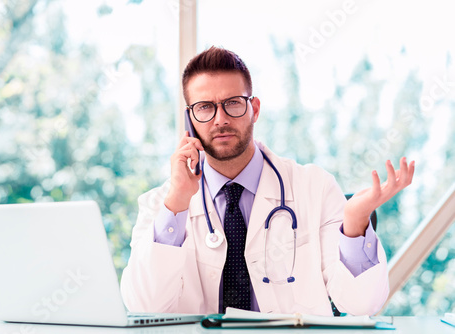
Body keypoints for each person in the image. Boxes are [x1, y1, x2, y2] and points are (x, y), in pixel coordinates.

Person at [120, 46, 415, 316]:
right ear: (190, 119)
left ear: (255, 109)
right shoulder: (161, 204)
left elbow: (362, 305)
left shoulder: (315, 187)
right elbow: (145, 308)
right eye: (205, 107)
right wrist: (178, 202)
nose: (220, 119)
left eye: (233, 103)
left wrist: (354, 222)